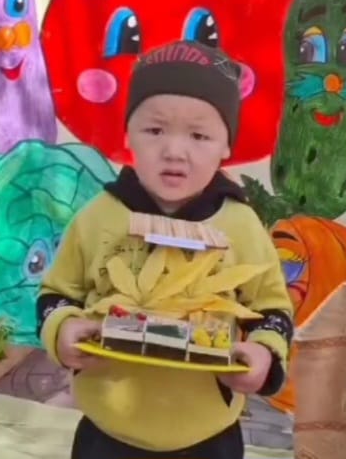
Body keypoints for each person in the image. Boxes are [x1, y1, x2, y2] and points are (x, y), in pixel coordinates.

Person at [37, 40, 294, 459]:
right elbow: (55, 294)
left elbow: (273, 310)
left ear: (226, 145)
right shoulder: (98, 216)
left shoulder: (242, 226)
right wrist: (62, 328)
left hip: (208, 436)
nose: (174, 151)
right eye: (155, 130)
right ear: (128, 135)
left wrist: (265, 353)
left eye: (199, 135)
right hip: (108, 432)